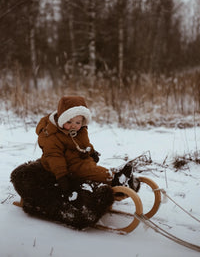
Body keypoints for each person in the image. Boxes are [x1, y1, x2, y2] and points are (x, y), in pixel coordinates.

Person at [11, 95, 140, 229]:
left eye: (78, 122)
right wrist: (62, 176)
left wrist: (91, 152)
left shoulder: (80, 131)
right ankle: (114, 179)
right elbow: (54, 157)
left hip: (77, 160)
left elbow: (85, 143)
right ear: (61, 119)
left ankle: (116, 179)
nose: (74, 125)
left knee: (90, 169)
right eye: (70, 122)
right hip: (63, 166)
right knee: (88, 170)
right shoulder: (52, 135)